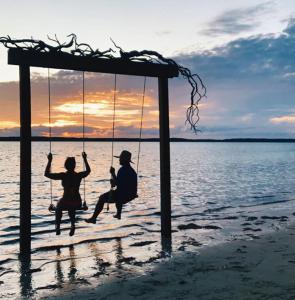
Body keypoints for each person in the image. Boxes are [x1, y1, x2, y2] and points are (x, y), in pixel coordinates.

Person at [44, 152, 91, 236]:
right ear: (74, 166)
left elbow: (46, 174)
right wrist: (84, 159)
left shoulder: (63, 175)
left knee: (59, 206)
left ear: (65, 165)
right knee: (71, 207)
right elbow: (88, 171)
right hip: (77, 202)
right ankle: (72, 224)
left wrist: (49, 161)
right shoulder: (79, 175)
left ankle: (58, 226)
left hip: (66, 201)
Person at [86, 150, 137, 223]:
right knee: (118, 194)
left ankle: (94, 218)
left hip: (124, 195)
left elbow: (117, 184)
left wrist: (113, 174)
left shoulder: (123, 170)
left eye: (120, 158)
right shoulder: (131, 170)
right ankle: (118, 213)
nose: (119, 160)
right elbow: (121, 184)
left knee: (102, 198)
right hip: (130, 194)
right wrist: (114, 179)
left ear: (124, 160)